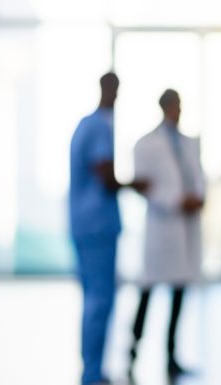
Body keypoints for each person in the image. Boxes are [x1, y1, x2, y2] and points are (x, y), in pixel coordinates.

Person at [69, 72, 147, 385]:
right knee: (100, 300)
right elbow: (105, 175)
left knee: (93, 298)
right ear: (111, 90)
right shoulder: (100, 127)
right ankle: (92, 374)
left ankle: (92, 370)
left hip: (84, 224)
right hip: (97, 227)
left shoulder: (85, 125)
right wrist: (135, 184)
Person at [129, 89, 205, 380]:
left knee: (178, 293)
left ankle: (171, 355)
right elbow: (144, 186)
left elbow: (198, 178)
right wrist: (176, 200)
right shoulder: (146, 145)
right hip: (162, 228)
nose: (178, 111)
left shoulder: (188, 143)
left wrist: (198, 198)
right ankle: (132, 352)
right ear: (165, 108)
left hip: (184, 229)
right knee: (148, 291)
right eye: (175, 106)